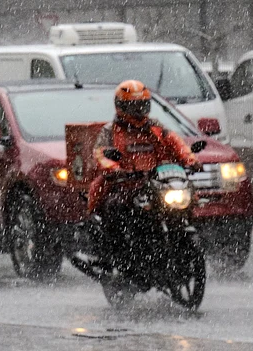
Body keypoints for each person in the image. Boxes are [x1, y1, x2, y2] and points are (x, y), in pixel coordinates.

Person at [85, 80, 201, 246]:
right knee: (108, 199)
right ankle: (107, 239)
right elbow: (100, 154)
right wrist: (115, 169)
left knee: (188, 197)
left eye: (142, 105)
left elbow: (177, 143)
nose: (139, 111)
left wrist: (191, 160)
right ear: (121, 106)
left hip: (155, 181)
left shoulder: (156, 128)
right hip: (125, 183)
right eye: (133, 106)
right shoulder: (110, 130)